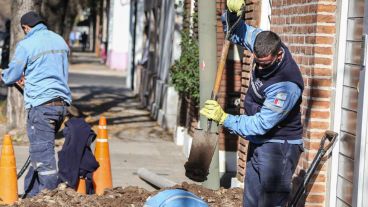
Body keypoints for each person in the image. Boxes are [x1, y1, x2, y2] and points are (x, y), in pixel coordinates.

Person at [199, 1, 304, 206]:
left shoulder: (286, 86)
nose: (261, 68)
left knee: (269, 203)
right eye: (258, 61)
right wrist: (230, 13)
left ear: (278, 54)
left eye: (265, 63)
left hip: (278, 148)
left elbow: (261, 124)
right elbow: (235, 32)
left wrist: (224, 118)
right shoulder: (260, 40)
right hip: (259, 142)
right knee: (251, 199)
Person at [1, 11, 72, 197]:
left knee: (44, 158)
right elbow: (52, 69)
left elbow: (13, 74)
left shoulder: (27, 44)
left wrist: (5, 75)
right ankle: (32, 196)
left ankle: (49, 197)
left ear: (26, 28)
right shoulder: (59, 40)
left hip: (42, 106)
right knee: (39, 152)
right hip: (61, 105)